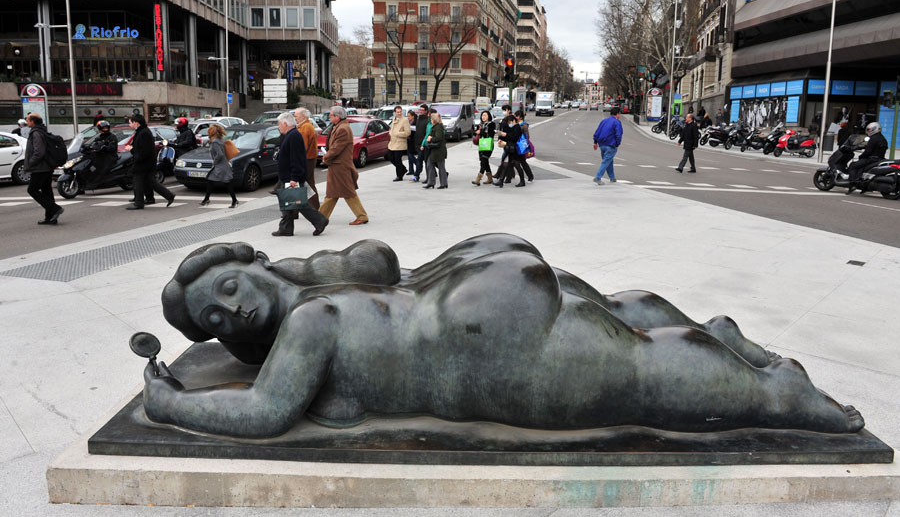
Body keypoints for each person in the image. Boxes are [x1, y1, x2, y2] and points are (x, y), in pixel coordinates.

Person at [145, 234, 865, 439]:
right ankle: (719, 337)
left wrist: (170, 405)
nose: (229, 317)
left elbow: (267, 413)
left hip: (480, 337)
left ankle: (779, 393)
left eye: (229, 291)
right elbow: (380, 264)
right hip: (479, 271)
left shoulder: (312, 320)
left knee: (636, 382)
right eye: (213, 322)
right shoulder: (339, 285)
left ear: (252, 265)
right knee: (618, 315)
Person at [272, 112, 328, 237]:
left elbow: (296, 159)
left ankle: (320, 221)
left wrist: (294, 178)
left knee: (299, 203)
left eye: (279, 124)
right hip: (288, 176)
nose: (278, 126)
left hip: (291, 177)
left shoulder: (294, 136)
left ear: (285, 124)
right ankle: (286, 228)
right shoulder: (290, 135)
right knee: (288, 203)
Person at [319, 106, 369, 225]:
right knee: (334, 193)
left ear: (337, 117)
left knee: (344, 193)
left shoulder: (343, 129)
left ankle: (320, 218)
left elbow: (336, 148)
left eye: (331, 115)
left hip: (340, 166)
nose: (329, 117)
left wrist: (325, 157)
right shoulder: (339, 126)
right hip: (338, 165)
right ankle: (320, 217)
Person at [125, 115, 175, 210]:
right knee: (150, 182)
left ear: (136, 122)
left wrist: (132, 150)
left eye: (130, 122)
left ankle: (139, 203)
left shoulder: (143, 133)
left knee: (137, 182)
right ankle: (169, 195)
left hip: (143, 163)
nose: (129, 124)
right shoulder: (142, 131)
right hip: (147, 162)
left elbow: (144, 151)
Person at [23, 113, 64, 225]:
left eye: (27, 120)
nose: (26, 121)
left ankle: (55, 209)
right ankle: (50, 217)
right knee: (47, 191)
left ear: (32, 121)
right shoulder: (42, 130)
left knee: (32, 190)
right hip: (46, 167)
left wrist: (30, 164)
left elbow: (39, 152)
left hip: (40, 167)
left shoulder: (36, 133)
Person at [199, 124, 238, 208]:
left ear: (212, 132)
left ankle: (234, 200)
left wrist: (215, 162)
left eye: (209, 130)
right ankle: (206, 199)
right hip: (222, 165)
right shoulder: (220, 140)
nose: (208, 132)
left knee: (227, 183)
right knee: (210, 181)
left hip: (220, 166)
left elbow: (220, 154)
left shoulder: (215, 142)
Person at [846, 122, 888, 194]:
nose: (869, 132)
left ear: (875, 129)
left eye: (870, 130)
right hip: (879, 158)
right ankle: (864, 186)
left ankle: (852, 184)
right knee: (861, 167)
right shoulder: (882, 138)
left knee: (853, 165)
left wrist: (861, 156)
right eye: (868, 130)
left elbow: (868, 151)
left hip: (871, 159)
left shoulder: (873, 139)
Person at [295, 108, 320, 210]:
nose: (295, 118)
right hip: (308, 159)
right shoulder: (305, 126)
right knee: (306, 184)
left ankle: (313, 208)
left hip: (306, 160)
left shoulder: (305, 128)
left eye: (296, 116)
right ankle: (312, 208)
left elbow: (302, 147)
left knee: (306, 184)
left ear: (303, 116)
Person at [493, 110, 526, 188]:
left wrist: (506, 134)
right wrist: (502, 137)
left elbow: (514, 138)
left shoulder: (517, 127)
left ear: (513, 121)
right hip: (510, 149)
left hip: (515, 149)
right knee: (505, 164)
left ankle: (522, 181)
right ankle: (501, 181)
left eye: (509, 122)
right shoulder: (513, 127)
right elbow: (509, 137)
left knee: (517, 165)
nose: (509, 124)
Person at [83, 120, 118, 190]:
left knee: (102, 168)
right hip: (99, 155)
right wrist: (86, 146)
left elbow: (112, 147)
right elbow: (93, 144)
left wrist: (105, 147)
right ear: (100, 129)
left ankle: (98, 183)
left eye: (106, 128)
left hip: (109, 156)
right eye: (103, 128)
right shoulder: (98, 137)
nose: (105, 129)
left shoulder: (112, 137)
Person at [592, 106, 623, 185]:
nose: (619, 116)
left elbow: (597, 132)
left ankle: (612, 178)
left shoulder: (604, 121)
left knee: (608, 161)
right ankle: (598, 177)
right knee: (606, 162)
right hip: (611, 145)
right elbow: (618, 134)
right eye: (619, 114)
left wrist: (595, 142)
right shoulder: (617, 122)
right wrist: (617, 144)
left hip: (602, 145)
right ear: (617, 114)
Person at [422, 111, 448, 189]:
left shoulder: (439, 127)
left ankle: (443, 183)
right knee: (429, 164)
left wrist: (431, 138)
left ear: (434, 120)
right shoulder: (436, 126)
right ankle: (431, 182)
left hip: (439, 151)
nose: (430, 120)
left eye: (431, 119)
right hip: (435, 150)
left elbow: (439, 138)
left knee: (441, 167)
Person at [387, 105, 411, 181]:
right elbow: (392, 129)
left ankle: (399, 176)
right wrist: (390, 133)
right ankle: (403, 169)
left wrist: (398, 133)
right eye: (398, 112)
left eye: (400, 112)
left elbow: (408, 132)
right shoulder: (394, 118)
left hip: (400, 143)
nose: (399, 113)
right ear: (395, 112)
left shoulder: (405, 120)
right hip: (393, 142)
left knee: (398, 159)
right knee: (391, 158)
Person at [472, 110, 495, 186]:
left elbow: (491, 134)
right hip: (481, 144)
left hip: (488, 144)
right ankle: (490, 178)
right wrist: (475, 131)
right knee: (484, 161)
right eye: (482, 115)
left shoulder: (491, 124)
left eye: (485, 115)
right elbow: (476, 133)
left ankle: (478, 178)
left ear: (489, 116)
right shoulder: (480, 125)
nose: (483, 117)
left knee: (484, 160)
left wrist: (481, 132)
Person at [512, 110, 534, 183]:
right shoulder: (515, 123)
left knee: (522, 162)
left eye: (517, 116)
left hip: (520, 146)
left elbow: (527, 136)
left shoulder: (524, 125)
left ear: (520, 117)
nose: (515, 117)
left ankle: (530, 177)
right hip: (515, 145)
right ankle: (509, 176)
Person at [412, 104, 430, 182]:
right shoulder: (418, 119)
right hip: (418, 143)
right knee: (423, 160)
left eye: (422, 110)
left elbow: (427, 133)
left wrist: (424, 143)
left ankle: (417, 175)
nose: (421, 111)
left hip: (424, 144)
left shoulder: (427, 120)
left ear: (426, 111)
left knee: (422, 160)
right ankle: (443, 172)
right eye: (420, 110)